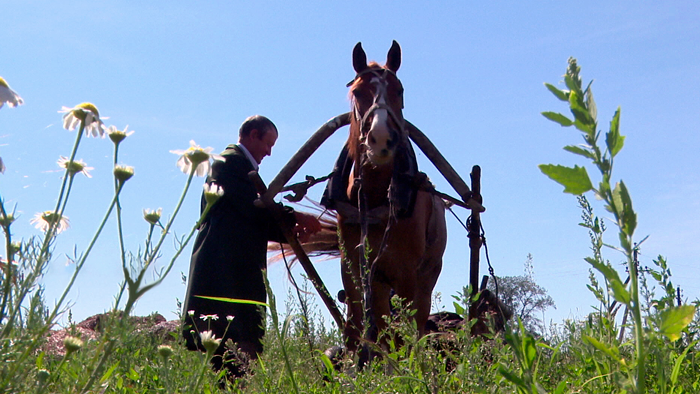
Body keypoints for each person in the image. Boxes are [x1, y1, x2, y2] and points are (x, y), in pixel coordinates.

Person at [182, 115, 321, 377]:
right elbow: (249, 207)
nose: (268, 153)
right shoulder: (229, 163)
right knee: (230, 349)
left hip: (234, 272)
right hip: (226, 274)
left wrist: (289, 228)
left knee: (235, 355)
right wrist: (294, 218)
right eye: (268, 144)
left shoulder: (238, 167)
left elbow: (254, 217)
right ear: (253, 135)